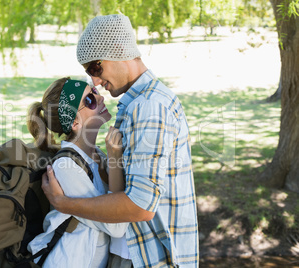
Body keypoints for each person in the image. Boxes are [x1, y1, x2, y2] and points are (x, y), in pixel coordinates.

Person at [41, 14, 199, 268]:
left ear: (116, 51)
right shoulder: (135, 104)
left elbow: (139, 206)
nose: (95, 82)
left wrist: (63, 203)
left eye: (95, 68)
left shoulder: (149, 107)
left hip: (150, 258)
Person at [26, 77, 130, 268]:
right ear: (74, 122)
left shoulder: (97, 155)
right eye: (90, 100)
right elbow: (116, 226)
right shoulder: (66, 167)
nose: (100, 99)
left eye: (95, 92)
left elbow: (117, 205)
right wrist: (115, 158)